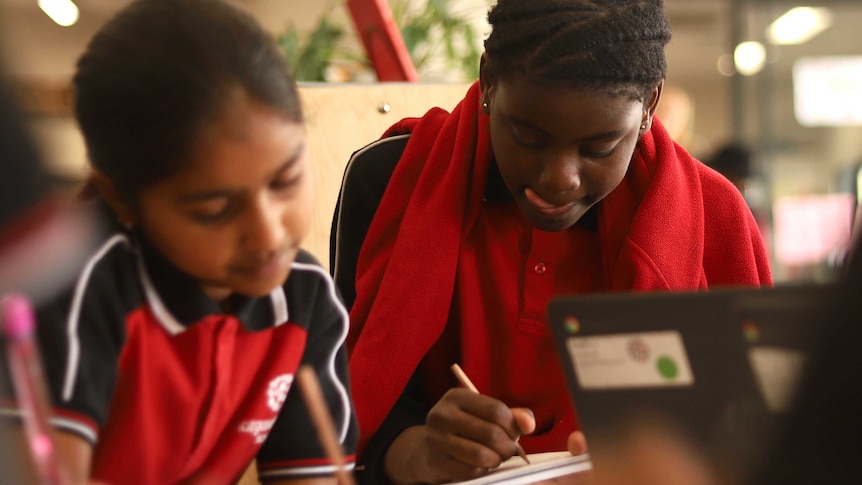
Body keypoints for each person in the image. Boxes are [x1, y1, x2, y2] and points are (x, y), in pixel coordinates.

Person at [330, 1, 772, 484]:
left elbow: (755, 441)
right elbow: (347, 402)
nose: (558, 180)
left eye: (599, 147)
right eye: (527, 136)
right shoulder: (393, 181)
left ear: (648, 106)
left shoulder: (716, 220)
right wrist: (415, 451)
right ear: (489, 81)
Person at [0, 0, 358, 483]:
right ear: (120, 198)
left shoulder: (304, 298)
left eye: (286, 180)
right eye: (212, 210)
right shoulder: (73, 292)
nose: (270, 234)